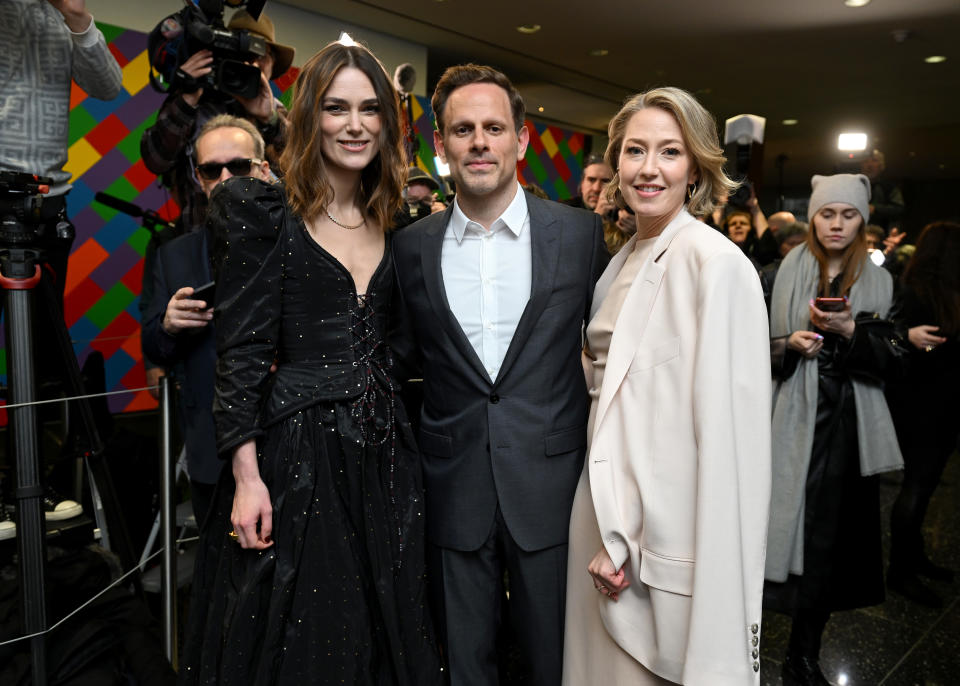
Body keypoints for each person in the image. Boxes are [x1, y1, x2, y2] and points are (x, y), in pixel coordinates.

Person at [179, 41, 442, 685]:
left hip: (385, 456)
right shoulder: (260, 211)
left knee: (387, 629)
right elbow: (240, 353)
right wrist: (246, 476)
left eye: (370, 110)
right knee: (309, 638)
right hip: (299, 458)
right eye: (335, 108)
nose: (354, 125)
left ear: (387, 122)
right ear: (308, 117)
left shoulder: (398, 219)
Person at [392, 64, 607, 686]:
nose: (479, 142)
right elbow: (400, 356)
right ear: (440, 145)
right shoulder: (410, 247)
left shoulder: (580, 234)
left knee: (557, 659)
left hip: (552, 484)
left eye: (493, 127)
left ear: (521, 138)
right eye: (463, 129)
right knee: (463, 663)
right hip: (452, 482)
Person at [562, 87, 772, 685]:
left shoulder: (715, 263)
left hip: (650, 535)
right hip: (595, 511)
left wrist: (627, 535)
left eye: (670, 151)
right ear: (616, 164)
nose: (648, 168)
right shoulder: (623, 258)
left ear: (697, 167)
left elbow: (713, 437)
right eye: (635, 150)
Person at [765, 174, 906, 686]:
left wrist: (851, 334)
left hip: (846, 430)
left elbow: (895, 362)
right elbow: (745, 349)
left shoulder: (883, 281)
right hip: (785, 421)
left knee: (825, 549)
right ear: (813, 218)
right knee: (770, 534)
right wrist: (786, 344)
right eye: (828, 214)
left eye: (848, 215)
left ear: (863, 220)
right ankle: (746, 646)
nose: (837, 224)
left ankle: (803, 657)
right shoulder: (779, 273)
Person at [142, 115, 272, 527]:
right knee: (219, 581)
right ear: (199, 179)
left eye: (239, 166)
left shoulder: (300, 242)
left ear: (264, 171)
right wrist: (168, 324)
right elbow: (152, 347)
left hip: (293, 435)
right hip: (210, 446)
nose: (226, 178)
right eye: (212, 170)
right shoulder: (173, 255)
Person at [140, 9, 293, 235]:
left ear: (271, 65)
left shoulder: (278, 113)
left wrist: (268, 120)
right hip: (199, 241)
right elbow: (155, 159)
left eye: (261, 55)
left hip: (266, 245)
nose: (251, 64)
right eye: (243, 54)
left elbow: (303, 176)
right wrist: (187, 96)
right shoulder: (192, 103)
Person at [886, 221, 960, 608]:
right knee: (917, 486)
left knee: (924, 485)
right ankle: (900, 571)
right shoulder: (918, 294)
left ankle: (913, 557)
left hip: (935, 404)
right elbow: (901, 340)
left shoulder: (937, 292)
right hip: (924, 405)